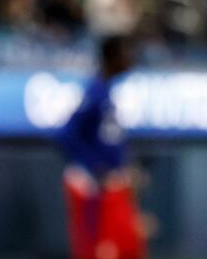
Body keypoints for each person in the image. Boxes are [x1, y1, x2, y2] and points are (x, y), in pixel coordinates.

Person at [58, 36, 141, 259]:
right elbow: (67, 134)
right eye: (125, 52)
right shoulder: (95, 92)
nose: (129, 58)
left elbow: (109, 138)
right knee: (93, 249)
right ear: (112, 57)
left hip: (109, 185)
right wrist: (95, 166)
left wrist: (124, 166)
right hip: (92, 186)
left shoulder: (107, 90)